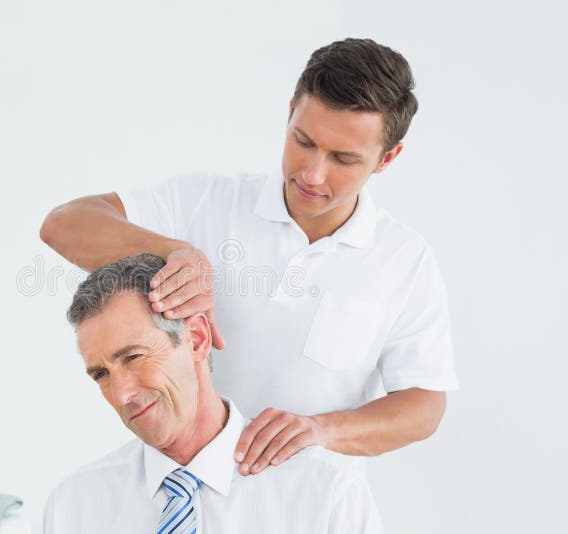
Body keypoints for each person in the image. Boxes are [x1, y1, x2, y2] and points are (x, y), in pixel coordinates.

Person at [40, 38, 458, 475]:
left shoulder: (405, 260)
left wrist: (320, 431)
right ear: (291, 110)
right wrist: (176, 253)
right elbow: (64, 224)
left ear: (387, 158)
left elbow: (425, 404)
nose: (312, 173)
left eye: (343, 159)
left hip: (305, 504)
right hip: (183, 488)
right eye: (303, 141)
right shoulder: (204, 203)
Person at [44, 254, 382, 533]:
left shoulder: (323, 492)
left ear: (197, 339)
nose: (121, 395)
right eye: (101, 374)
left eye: (133, 357)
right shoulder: (74, 506)